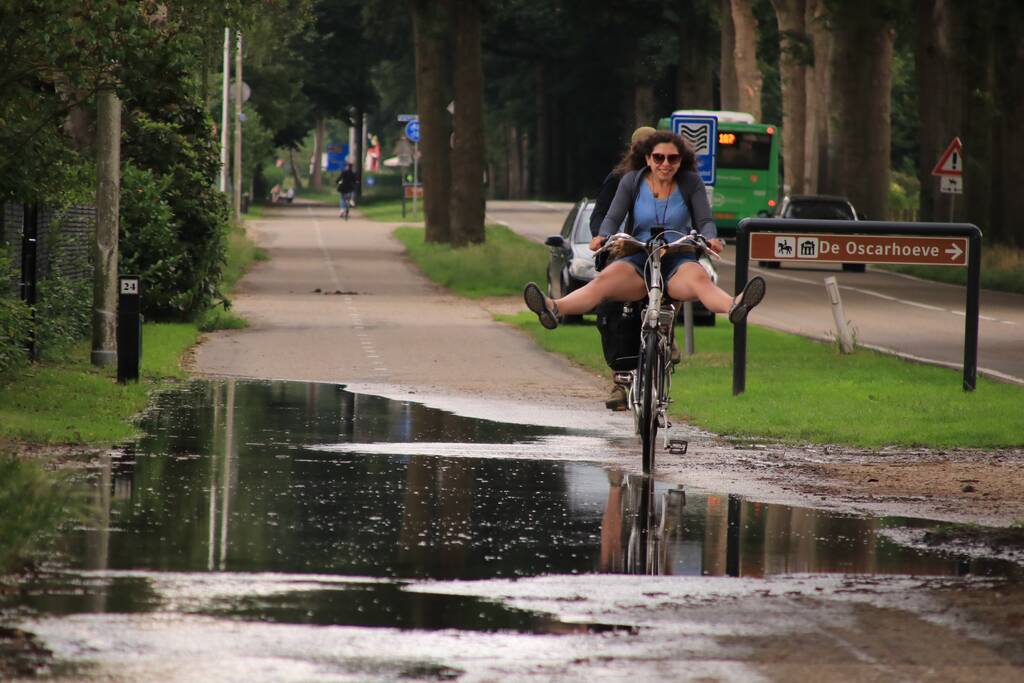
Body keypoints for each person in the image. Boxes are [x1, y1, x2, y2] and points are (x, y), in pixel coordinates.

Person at [523, 130, 766, 361]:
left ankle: (735, 305)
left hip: (678, 256)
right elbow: (612, 218)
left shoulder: (691, 183)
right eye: (658, 157)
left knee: (700, 280)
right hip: (639, 254)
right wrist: (603, 236)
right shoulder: (631, 181)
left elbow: (704, 220)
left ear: (681, 160)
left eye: (673, 158)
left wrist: (710, 238)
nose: (665, 164)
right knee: (603, 282)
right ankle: (554, 308)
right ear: (647, 158)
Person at [591, 126, 656, 410]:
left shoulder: (674, 181)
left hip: (659, 249)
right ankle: (620, 381)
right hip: (625, 249)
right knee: (611, 310)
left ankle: (669, 335)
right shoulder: (618, 179)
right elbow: (601, 216)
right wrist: (605, 240)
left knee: (675, 281)